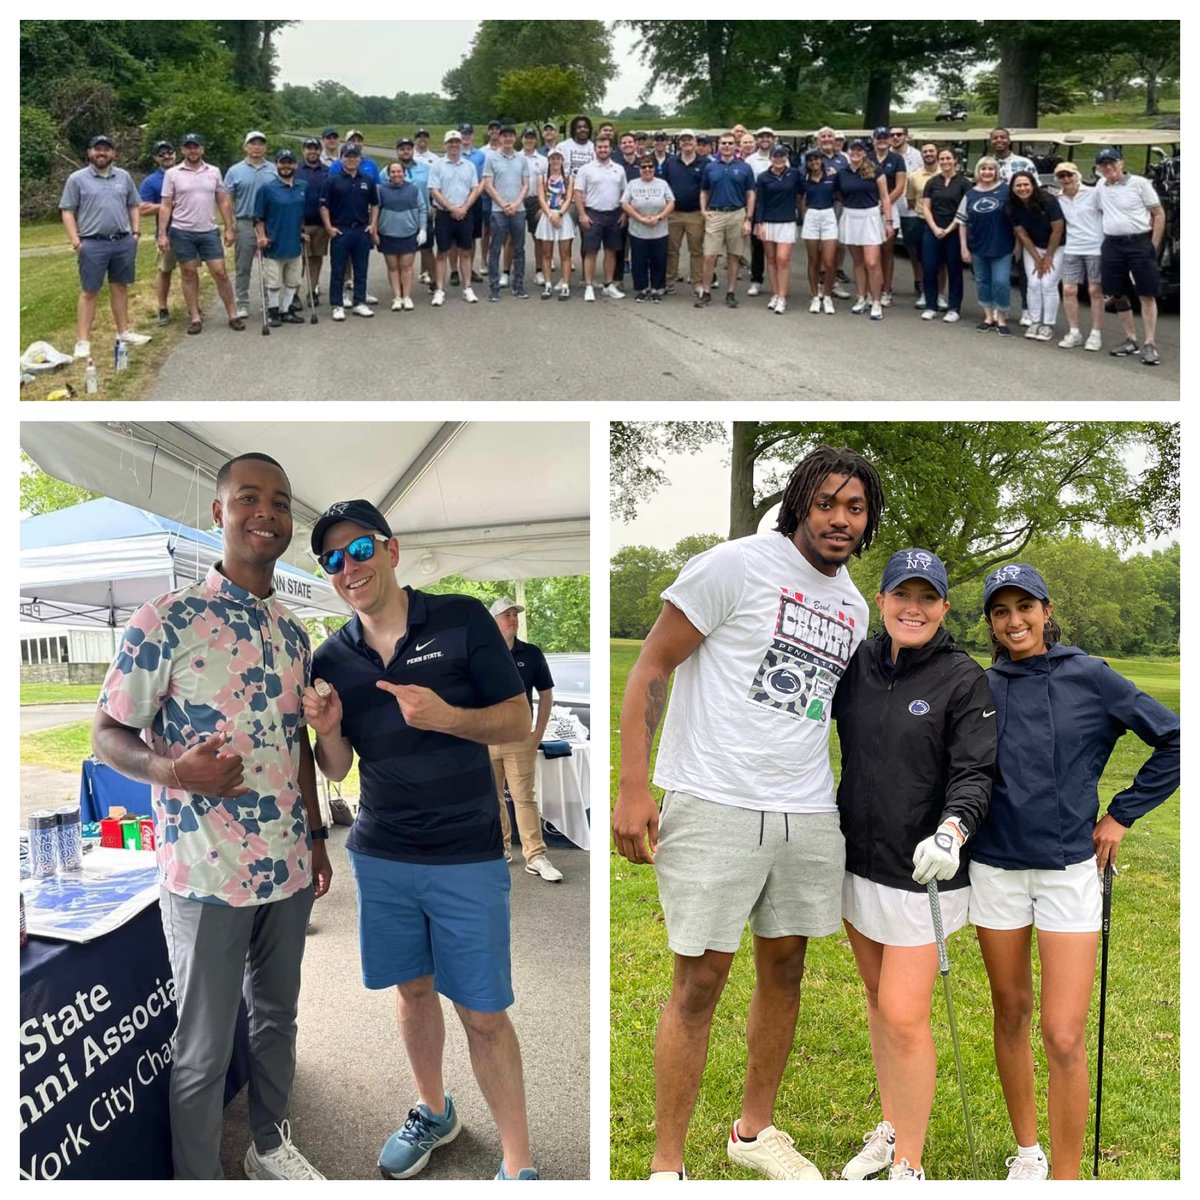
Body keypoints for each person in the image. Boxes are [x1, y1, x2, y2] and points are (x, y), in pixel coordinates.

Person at [612, 445, 885, 1181]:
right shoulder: (733, 565)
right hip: (716, 798)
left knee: (786, 969)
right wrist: (634, 784)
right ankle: (667, 1165)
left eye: (853, 508)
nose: (838, 519)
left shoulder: (854, 605)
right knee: (698, 982)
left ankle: (753, 1132)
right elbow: (651, 665)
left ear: (868, 522)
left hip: (804, 808)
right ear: (798, 503)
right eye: (825, 502)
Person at [91, 453, 330, 1180]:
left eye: (281, 501)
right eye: (249, 498)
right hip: (204, 876)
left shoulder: (294, 635)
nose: (267, 512)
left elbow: (298, 749)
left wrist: (317, 839)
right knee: (201, 1048)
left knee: (277, 1022)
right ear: (218, 512)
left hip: (286, 868)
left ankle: (270, 1150)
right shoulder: (165, 619)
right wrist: (170, 771)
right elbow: (105, 733)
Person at [304, 500, 540, 1181]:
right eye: (333, 560)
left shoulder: (462, 619)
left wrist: (448, 717)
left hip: (465, 854)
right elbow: (337, 769)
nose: (349, 567)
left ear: (392, 550)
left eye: (359, 550)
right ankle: (434, 1111)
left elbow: (516, 722)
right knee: (412, 993)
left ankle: (519, 1167)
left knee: (484, 1013)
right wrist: (327, 726)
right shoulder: (332, 656)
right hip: (382, 854)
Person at [972, 563, 1179, 1180]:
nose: (1015, 621)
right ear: (989, 621)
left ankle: (1066, 1180)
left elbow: (1174, 740)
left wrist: (1120, 815)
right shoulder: (980, 686)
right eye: (1001, 611)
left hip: (1067, 872)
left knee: (1062, 1034)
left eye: (1025, 607)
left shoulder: (1090, 676)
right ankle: (1028, 1156)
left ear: (1046, 608)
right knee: (1009, 1013)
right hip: (995, 869)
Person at [833, 549, 994, 1182]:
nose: (914, 608)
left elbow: (975, 772)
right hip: (859, 860)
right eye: (903, 594)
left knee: (903, 1013)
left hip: (927, 869)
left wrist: (952, 832)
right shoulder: (859, 665)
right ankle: (893, 1122)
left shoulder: (963, 678)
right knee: (877, 1002)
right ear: (882, 601)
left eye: (928, 598)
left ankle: (910, 1165)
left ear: (945, 607)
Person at [488, 597, 563, 881]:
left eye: (514, 615)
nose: (512, 619)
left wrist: (537, 734)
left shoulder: (531, 654)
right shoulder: (480, 653)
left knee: (524, 798)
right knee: (490, 797)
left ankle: (535, 855)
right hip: (485, 737)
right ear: (494, 621)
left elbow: (546, 694)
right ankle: (500, 848)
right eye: (506, 615)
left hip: (520, 738)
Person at [58, 134, 150, 360]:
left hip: (122, 241)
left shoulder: (124, 177)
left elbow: (133, 205)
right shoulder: (77, 179)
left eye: (106, 149)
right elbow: (67, 210)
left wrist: (135, 233)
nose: (102, 153)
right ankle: (83, 340)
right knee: (90, 291)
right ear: (89, 152)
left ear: (113, 153)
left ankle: (123, 332)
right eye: (97, 149)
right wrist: (76, 241)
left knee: (120, 287)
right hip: (92, 242)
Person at [159, 133, 243, 335]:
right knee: (188, 273)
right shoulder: (173, 173)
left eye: (196, 147)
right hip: (182, 231)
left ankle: (232, 314)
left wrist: (229, 228)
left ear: (202, 149)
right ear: (182, 150)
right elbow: (166, 205)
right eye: (188, 147)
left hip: (208, 230)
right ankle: (195, 316)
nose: (192, 151)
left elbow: (223, 200)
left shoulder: (213, 171)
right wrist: (162, 233)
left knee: (220, 272)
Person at [1094, 147, 1166, 366]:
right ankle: (1131, 339)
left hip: (1139, 242)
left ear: (1121, 163)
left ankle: (1150, 343)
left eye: (1112, 163)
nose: (1108, 167)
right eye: (1103, 164)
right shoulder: (1100, 186)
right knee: (1117, 292)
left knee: (1146, 293)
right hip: (1113, 244)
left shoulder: (1140, 184)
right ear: (1098, 168)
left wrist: (1152, 245)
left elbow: (1158, 214)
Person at [695, 132, 757, 309]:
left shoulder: (744, 167)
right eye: (724, 143)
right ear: (718, 146)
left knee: (734, 256)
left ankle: (731, 292)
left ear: (735, 145)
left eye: (730, 143)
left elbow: (751, 193)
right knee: (709, 255)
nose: (727, 146)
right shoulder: (711, 167)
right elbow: (704, 190)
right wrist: (703, 210)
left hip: (737, 213)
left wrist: (748, 218)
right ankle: (706, 292)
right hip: (715, 213)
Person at [954, 156, 1014, 336]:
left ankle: (1002, 317)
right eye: (983, 169)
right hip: (978, 246)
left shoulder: (1006, 191)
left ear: (997, 172)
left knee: (1001, 281)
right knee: (983, 282)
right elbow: (962, 222)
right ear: (978, 172)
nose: (987, 172)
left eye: (991, 169)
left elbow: (1016, 219)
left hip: (1002, 245)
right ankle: (988, 316)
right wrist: (964, 248)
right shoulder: (970, 194)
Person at [321, 144, 379, 321]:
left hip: (361, 230)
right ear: (341, 159)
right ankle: (337, 304)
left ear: (360, 159)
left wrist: (373, 224)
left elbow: (375, 204)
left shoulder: (367, 180)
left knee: (361, 269)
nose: (351, 160)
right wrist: (329, 227)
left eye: (355, 156)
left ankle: (359, 302)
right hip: (340, 230)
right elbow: (324, 206)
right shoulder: (333, 180)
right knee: (338, 270)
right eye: (348, 156)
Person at [834, 139, 891, 320]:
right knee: (858, 261)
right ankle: (861, 297)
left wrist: (888, 221)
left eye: (859, 150)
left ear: (865, 152)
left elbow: (885, 197)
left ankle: (875, 301)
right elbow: (839, 194)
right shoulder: (842, 173)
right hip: (851, 216)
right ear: (848, 151)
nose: (856, 153)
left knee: (872, 262)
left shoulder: (876, 170)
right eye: (853, 149)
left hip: (870, 217)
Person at [224, 131, 278, 320]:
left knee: (270, 266)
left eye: (260, 144)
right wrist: (229, 226)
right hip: (245, 222)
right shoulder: (234, 171)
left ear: (265, 147)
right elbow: (227, 201)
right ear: (245, 147)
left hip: (269, 223)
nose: (256, 147)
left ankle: (269, 302)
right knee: (243, 266)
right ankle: (242, 303)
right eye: (252, 144)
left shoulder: (274, 169)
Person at [1007, 169, 1065, 343]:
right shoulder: (1011, 206)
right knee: (1033, 283)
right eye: (1018, 185)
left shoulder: (1048, 200)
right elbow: (1022, 234)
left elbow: (1058, 228)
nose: (1022, 188)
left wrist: (1048, 257)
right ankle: (1035, 321)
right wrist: (1037, 257)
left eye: (1026, 184)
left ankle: (1048, 324)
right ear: (1012, 188)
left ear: (1033, 185)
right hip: (1032, 246)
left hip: (1056, 246)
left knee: (1048, 284)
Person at [1052, 162, 1105, 351]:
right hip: (1072, 248)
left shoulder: (1093, 194)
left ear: (1077, 175)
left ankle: (1095, 333)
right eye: (1061, 176)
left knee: (1094, 291)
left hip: (1095, 248)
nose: (1066, 179)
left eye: (1069, 175)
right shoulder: (1058, 198)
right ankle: (1074, 332)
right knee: (1068, 290)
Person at [253, 149, 308, 327]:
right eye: (282, 162)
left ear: (295, 165)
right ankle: (274, 312)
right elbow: (258, 217)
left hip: (294, 242)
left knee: (293, 280)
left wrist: (301, 232)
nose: (286, 166)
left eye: (289, 162)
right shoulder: (267, 189)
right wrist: (261, 236)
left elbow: (300, 214)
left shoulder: (302, 187)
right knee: (274, 281)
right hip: (273, 243)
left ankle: (286, 310)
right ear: (276, 165)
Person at [428, 131, 483, 307]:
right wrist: (451, 208)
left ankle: (467, 287)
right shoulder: (437, 165)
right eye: (450, 142)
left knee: (465, 251)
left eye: (457, 142)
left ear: (461, 144)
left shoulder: (469, 166)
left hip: (465, 213)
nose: (454, 145)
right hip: (445, 214)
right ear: (445, 145)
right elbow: (434, 190)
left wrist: (464, 208)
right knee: (442, 252)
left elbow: (475, 189)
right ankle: (439, 290)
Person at [574, 135, 628, 302]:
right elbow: (578, 193)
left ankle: (608, 285)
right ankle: (589, 286)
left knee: (611, 252)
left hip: (613, 214)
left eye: (606, 147)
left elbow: (625, 193)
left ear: (611, 149)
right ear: (595, 149)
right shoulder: (586, 169)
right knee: (591, 252)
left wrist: (624, 213)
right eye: (600, 147)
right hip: (592, 214)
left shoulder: (619, 169)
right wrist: (582, 214)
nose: (603, 150)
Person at [919, 147, 969, 324]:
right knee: (930, 267)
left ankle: (954, 308)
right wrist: (934, 227)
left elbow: (964, 210)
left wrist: (949, 228)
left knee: (954, 269)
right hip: (933, 230)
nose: (945, 162)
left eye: (949, 158)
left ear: (955, 160)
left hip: (954, 231)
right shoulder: (932, 182)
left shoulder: (964, 183)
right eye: (942, 159)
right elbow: (926, 207)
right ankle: (931, 306)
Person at [483, 125, 531, 301]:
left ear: (515, 138)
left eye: (511, 136)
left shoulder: (522, 159)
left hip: (519, 211)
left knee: (519, 249)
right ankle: (494, 287)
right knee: (495, 249)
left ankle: (518, 285)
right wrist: (503, 204)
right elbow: (488, 184)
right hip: (498, 210)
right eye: (505, 136)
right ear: (499, 138)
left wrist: (516, 203)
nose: (508, 139)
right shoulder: (492, 158)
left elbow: (525, 184)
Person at [752, 144, 801, 314]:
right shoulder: (763, 177)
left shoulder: (794, 174)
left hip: (787, 221)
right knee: (771, 260)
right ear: (771, 158)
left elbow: (801, 193)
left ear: (786, 157)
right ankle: (775, 293)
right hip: (768, 221)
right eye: (775, 156)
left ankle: (782, 297)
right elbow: (760, 202)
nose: (778, 159)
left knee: (782, 259)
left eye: (782, 155)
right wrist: (758, 223)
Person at [372, 159, 427, 311]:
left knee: (406, 267)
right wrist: (374, 231)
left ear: (404, 173)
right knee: (393, 267)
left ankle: (407, 296)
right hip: (387, 235)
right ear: (388, 174)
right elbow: (374, 211)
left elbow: (422, 209)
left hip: (408, 234)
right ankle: (397, 297)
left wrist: (422, 229)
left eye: (399, 171)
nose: (396, 174)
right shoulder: (380, 190)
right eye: (393, 172)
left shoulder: (414, 189)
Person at [621, 155, 676, 302]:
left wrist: (659, 217)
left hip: (659, 230)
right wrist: (639, 218)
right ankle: (642, 288)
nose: (647, 169)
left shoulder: (662, 184)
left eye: (650, 167)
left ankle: (657, 288)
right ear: (639, 169)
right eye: (643, 167)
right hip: (638, 230)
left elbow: (671, 202)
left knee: (658, 260)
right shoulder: (633, 184)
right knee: (639, 261)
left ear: (654, 169)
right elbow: (625, 203)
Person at [138, 140, 178, 326]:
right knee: (164, 270)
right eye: (161, 154)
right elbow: (143, 209)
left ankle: (195, 308)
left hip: (189, 231)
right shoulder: (151, 181)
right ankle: (162, 309)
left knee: (190, 271)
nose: (167, 156)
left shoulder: (185, 174)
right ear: (156, 158)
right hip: (167, 233)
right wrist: (166, 206)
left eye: (169, 152)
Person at [663, 130, 706, 296]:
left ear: (695, 142)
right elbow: (664, 186)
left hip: (695, 214)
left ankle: (697, 283)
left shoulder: (704, 163)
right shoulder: (670, 162)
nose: (687, 142)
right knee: (671, 250)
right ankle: (669, 281)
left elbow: (707, 188)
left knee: (696, 251)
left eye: (690, 139)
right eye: (683, 140)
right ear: (679, 143)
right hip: (674, 213)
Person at [867, 127, 906, 306]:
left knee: (886, 252)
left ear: (889, 140)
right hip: (867, 208)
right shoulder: (868, 158)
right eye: (878, 137)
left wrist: (885, 204)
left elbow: (900, 186)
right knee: (869, 252)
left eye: (885, 137)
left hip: (889, 208)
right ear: (873, 140)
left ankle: (886, 290)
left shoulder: (897, 159)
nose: (882, 141)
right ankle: (870, 288)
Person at [902, 142, 939, 308]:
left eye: (931, 151)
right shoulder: (914, 176)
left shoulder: (945, 174)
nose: (928, 154)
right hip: (922, 220)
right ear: (921, 155)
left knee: (942, 262)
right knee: (924, 259)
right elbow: (910, 201)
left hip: (943, 221)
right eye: (925, 151)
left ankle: (940, 294)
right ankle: (926, 292)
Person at [535, 149, 575, 299]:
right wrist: (550, 214)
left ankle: (565, 285)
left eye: (558, 158)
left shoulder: (568, 178)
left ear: (562, 160)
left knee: (565, 253)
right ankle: (547, 284)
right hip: (548, 216)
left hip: (562, 216)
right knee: (546, 253)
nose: (555, 161)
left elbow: (569, 197)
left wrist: (559, 214)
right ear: (549, 160)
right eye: (553, 158)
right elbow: (541, 198)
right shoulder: (542, 178)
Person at [296, 138, 331, 307]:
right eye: (309, 148)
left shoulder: (328, 171)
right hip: (299, 223)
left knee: (316, 258)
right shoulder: (295, 170)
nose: (313, 152)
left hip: (320, 223)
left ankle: (312, 290)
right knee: (298, 260)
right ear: (304, 150)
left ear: (320, 150)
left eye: (316, 148)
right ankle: (294, 293)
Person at [742, 127, 776, 296]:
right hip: (757, 207)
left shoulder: (780, 157)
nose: (765, 140)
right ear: (757, 140)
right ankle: (756, 279)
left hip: (776, 206)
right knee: (758, 246)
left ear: (773, 139)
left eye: (768, 137)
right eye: (762, 137)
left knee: (778, 245)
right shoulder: (750, 160)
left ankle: (778, 281)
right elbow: (748, 187)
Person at [519, 128, 548, 282]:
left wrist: (544, 207)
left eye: (532, 138)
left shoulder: (543, 160)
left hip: (536, 201)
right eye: (526, 137)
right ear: (521, 139)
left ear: (535, 140)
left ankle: (539, 270)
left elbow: (547, 185)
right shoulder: (515, 157)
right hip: (517, 200)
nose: (529, 141)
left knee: (538, 237)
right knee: (512, 238)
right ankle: (507, 271)